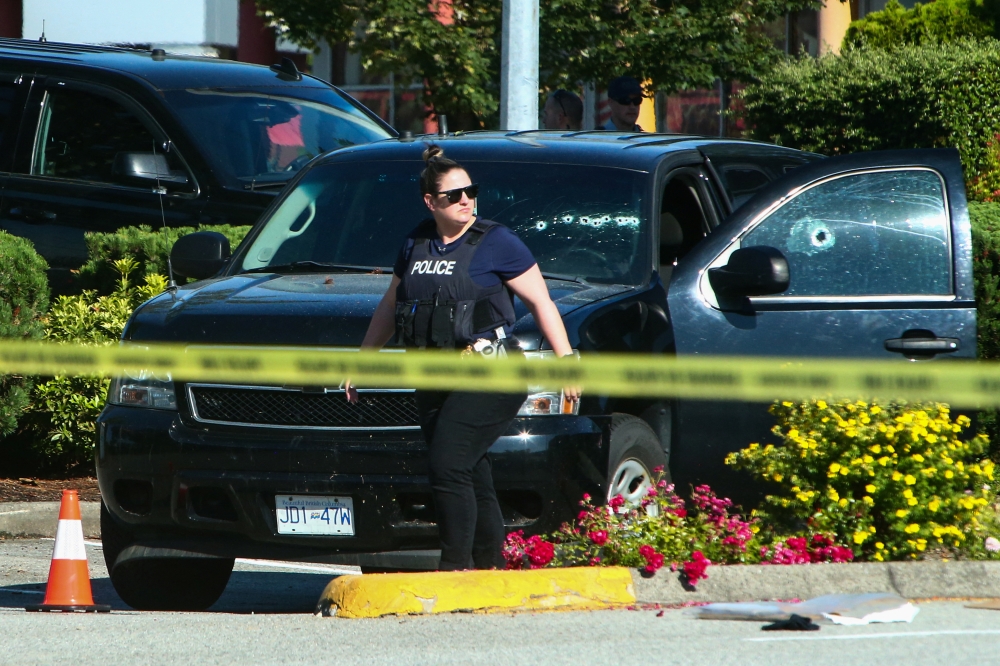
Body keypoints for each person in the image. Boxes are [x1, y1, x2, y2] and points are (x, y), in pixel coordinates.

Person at [347, 145, 579, 570]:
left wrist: (566, 360)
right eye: (454, 195)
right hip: (435, 373)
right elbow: (390, 304)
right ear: (430, 202)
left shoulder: (497, 242)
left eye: (470, 191)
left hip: (491, 372)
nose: (466, 200)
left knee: (448, 463)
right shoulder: (416, 242)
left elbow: (543, 301)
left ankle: (453, 568)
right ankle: (489, 566)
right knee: (471, 470)